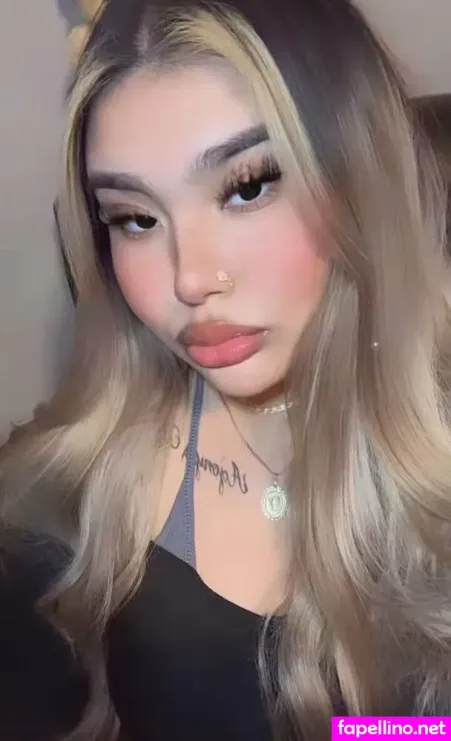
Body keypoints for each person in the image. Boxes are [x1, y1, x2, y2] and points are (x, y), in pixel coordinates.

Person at [1, 0, 451, 739]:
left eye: (247, 187)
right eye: (136, 218)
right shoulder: (61, 510)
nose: (189, 278)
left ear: (359, 176)